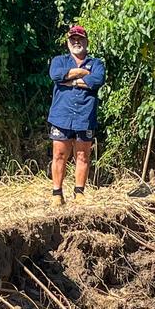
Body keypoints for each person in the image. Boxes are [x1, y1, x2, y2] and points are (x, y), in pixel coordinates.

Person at [47, 25, 106, 206]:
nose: (76, 42)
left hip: (85, 117)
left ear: (87, 42)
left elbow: (97, 79)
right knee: (59, 154)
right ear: (68, 42)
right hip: (61, 116)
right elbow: (56, 75)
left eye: (80, 39)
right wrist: (82, 74)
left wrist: (70, 80)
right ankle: (57, 193)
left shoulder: (96, 63)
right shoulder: (59, 60)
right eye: (73, 39)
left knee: (83, 155)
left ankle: (79, 193)